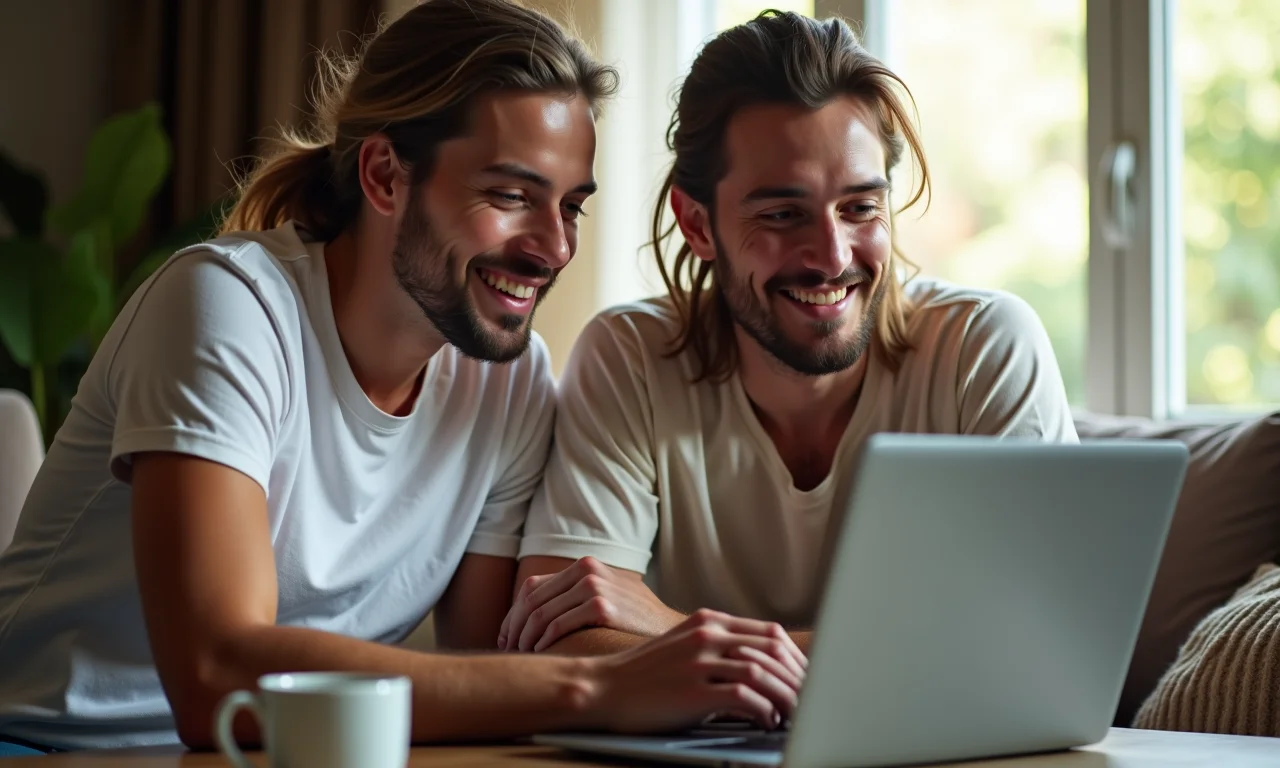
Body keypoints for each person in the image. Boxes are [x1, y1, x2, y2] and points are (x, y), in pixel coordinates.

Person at [0, 0, 805, 755]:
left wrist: (693, 665)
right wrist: (602, 684)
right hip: (49, 746)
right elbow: (216, 674)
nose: (554, 248)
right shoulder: (228, 304)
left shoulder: (510, 381)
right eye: (510, 195)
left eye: (571, 207)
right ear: (385, 175)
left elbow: (495, 667)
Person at [500, 10, 1078, 656]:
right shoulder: (630, 356)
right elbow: (560, 638)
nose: (832, 257)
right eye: (782, 214)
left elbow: (1043, 639)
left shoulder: (985, 349)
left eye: (860, 207)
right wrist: (895, 653)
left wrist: (678, 634)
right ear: (696, 225)